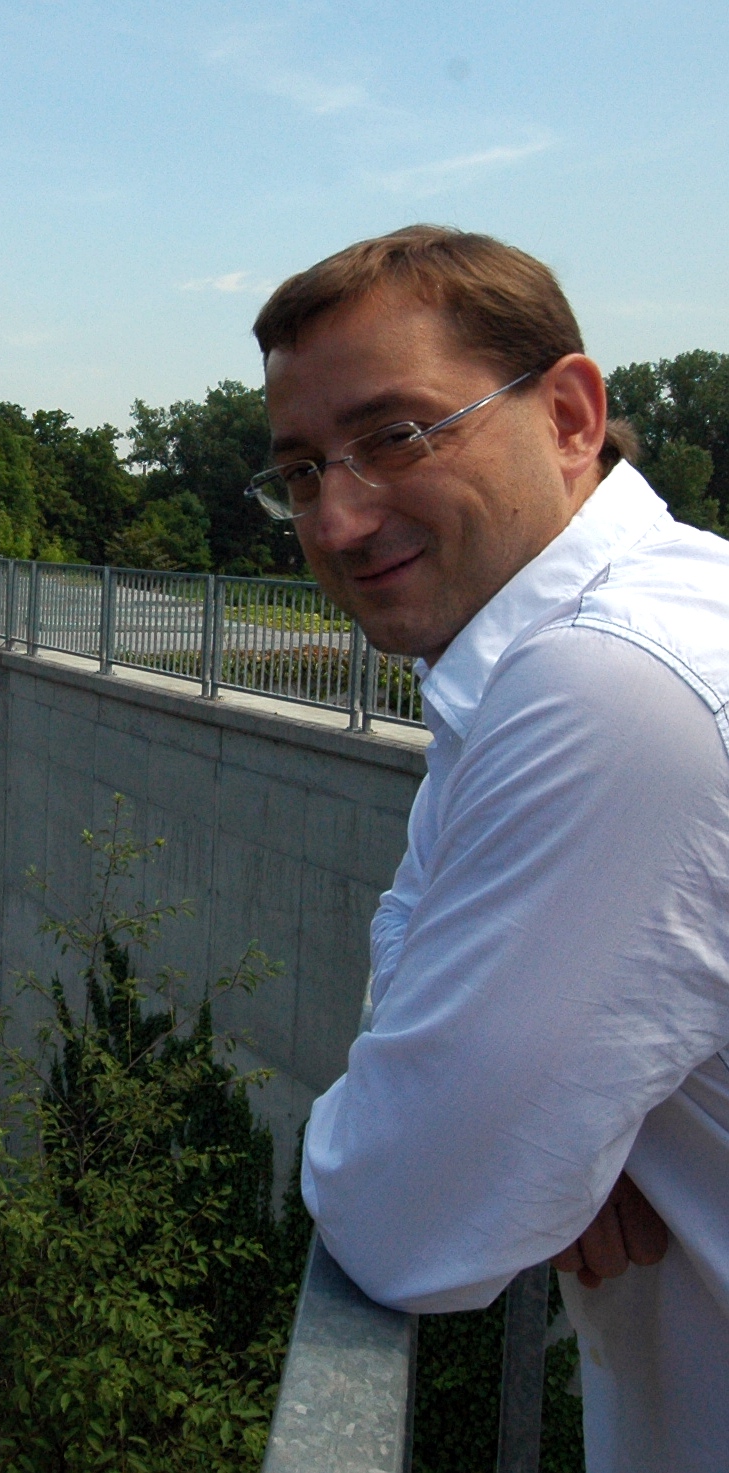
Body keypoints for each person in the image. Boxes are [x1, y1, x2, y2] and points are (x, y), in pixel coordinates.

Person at [262, 227, 729, 1470]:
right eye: (302, 470)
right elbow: (418, 993)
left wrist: (519, 1148)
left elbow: (406, 1220)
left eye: (399, 435)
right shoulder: (583, 642)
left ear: (572, 414)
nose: (341, 517)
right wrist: (566, 1136)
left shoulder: (611, 688)